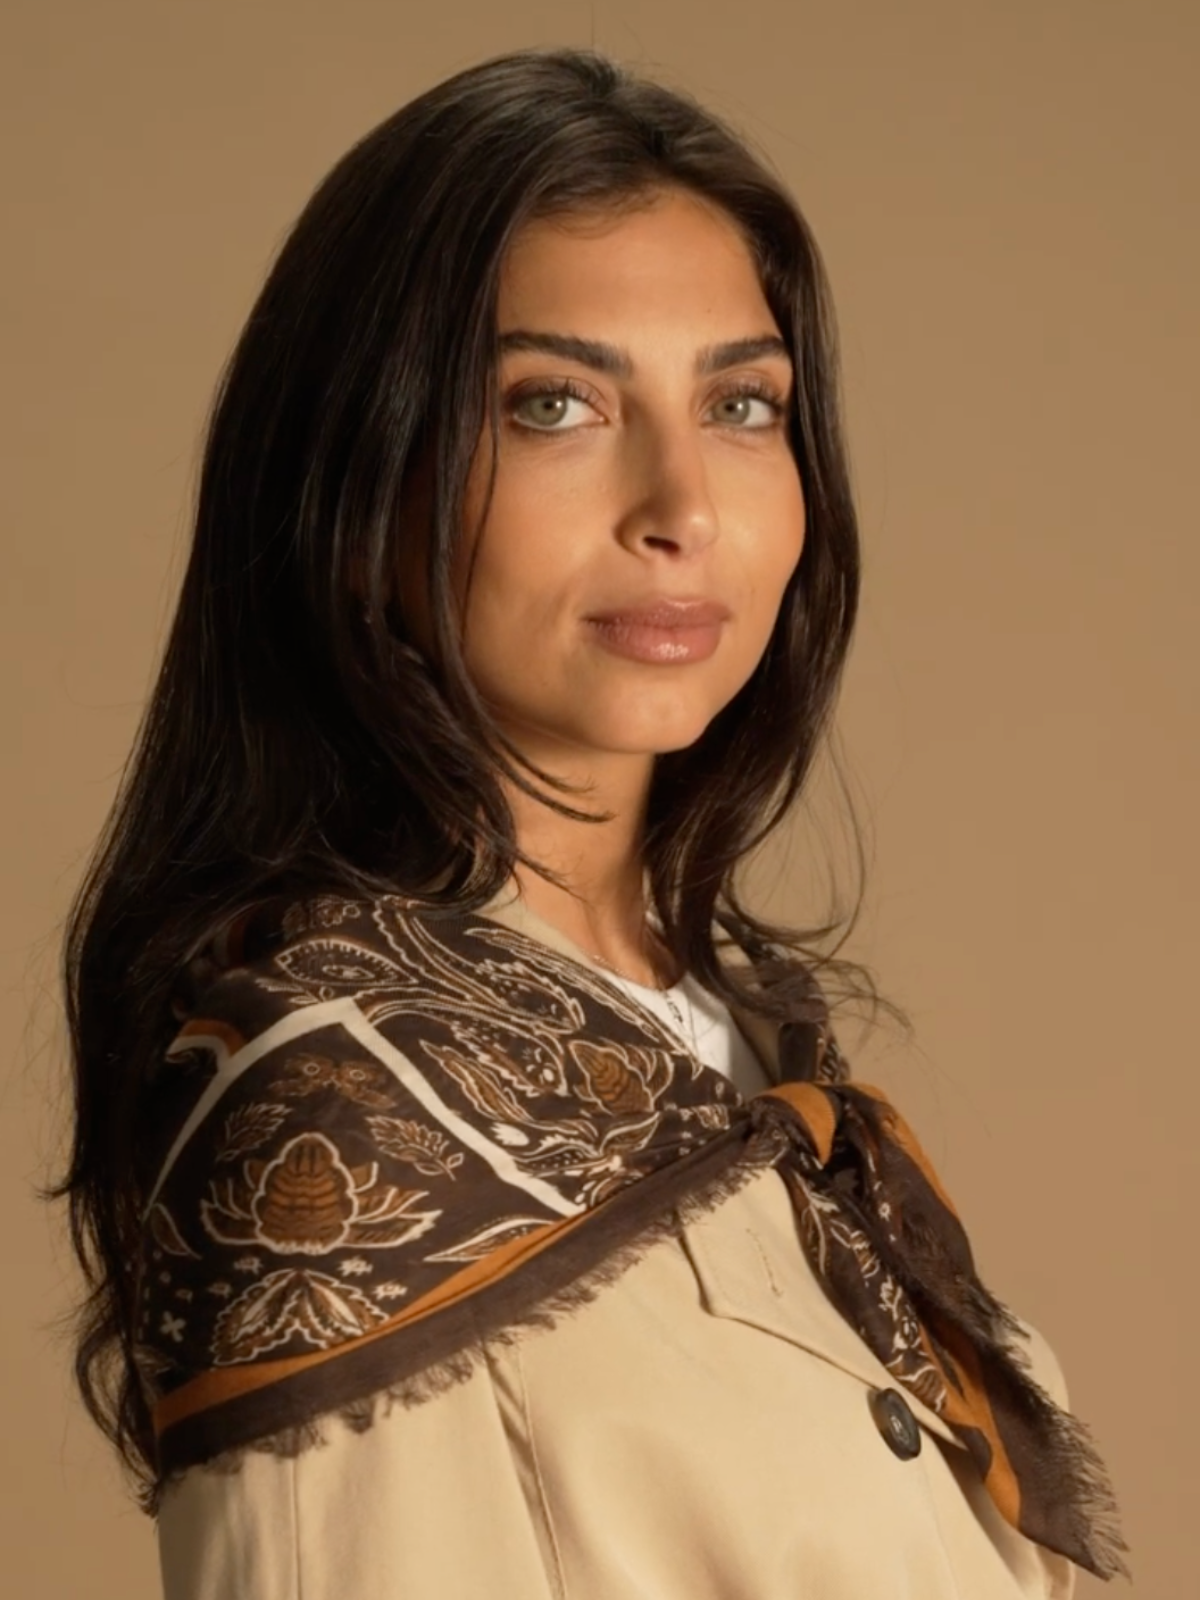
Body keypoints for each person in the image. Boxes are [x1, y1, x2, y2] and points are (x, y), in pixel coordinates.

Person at [53, 46, 1128, 1599]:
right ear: (358, 498)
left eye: (744, 404)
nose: (679, 501)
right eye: (553, 404)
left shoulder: (743, 1043)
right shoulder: (340, 1104)